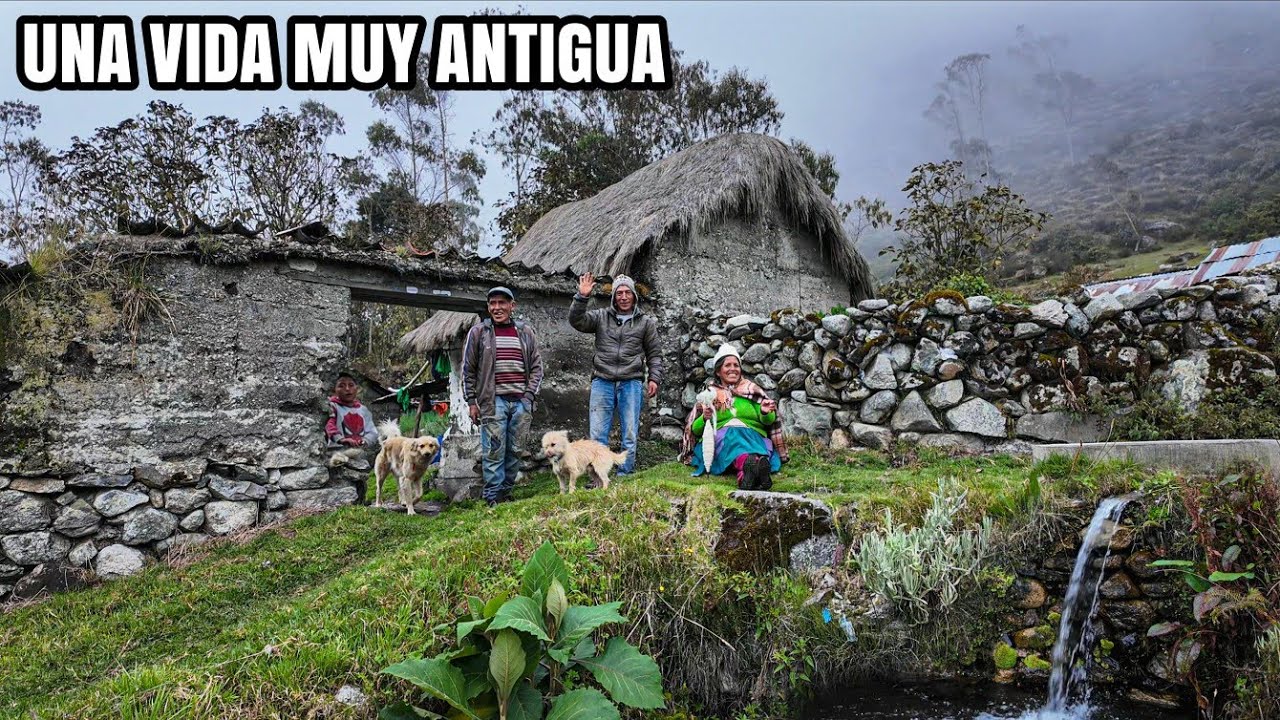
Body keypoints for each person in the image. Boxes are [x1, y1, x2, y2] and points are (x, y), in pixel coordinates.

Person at [569, 272, 663, 475]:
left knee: (629, 432)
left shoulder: (645, 322)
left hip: (631, 382)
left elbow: (654, 354)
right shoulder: (601, 317)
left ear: (634, 296)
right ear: (613, 297)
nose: (623, 297)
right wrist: (582, 297)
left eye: (627, 292)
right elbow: (577, 321)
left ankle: (625, 473)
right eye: (619, 293)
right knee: (597, 434)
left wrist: (654, 378)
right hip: (602, 380)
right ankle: (598, 476)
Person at [462, 286, 544, 508]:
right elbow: (468, 370)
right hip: (493, 401)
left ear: (512, 306)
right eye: (493, 303)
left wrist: (528, 397)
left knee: (515, 450)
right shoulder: (479, 333)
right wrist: (472, 402)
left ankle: (505, 493)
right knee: (494, 450)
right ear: (488, 307)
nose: (497, 308)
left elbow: (537, 368)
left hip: (521, 402)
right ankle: (492, 496)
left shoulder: (525, 332)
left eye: (502, 303)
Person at [679, 345, 787, 490]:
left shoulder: (751, 390)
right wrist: (704, 418)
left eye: (736, 365)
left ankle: (747, 473)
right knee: (734, 438)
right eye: (727, 365)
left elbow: (768, 421)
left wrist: (765, 412)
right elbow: (696, 430)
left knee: (745, 442)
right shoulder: (710, 395)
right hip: (722, 439)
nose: (733, 369)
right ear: (718, 371)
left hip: (752, 437)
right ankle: (756, 468)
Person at [325, 372, 379, 504]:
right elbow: (329, 424)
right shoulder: (331, 406)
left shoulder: (363, 410)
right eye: (341, 386)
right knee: (340, 479)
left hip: (358, 453)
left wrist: (364, 441)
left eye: (351, 385)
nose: (347, 389)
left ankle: (360, 502)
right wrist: (341, 439)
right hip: (336, 453)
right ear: (335, 389)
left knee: (360, 479)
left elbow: (372, 432)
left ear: (357, 388)